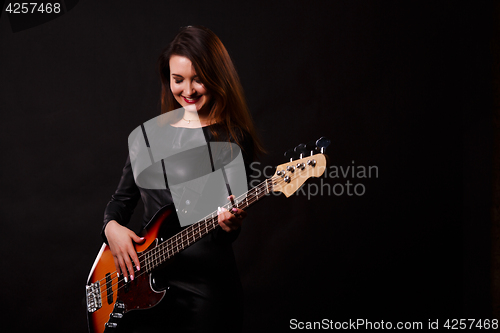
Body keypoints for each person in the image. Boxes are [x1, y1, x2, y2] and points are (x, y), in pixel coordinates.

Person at [102, 26, 264, 332]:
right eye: (178, 80)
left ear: (217, 78)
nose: (187, 90)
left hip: (206, 288)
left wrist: (230, 223)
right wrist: (111, 227)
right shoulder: (147, 137)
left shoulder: (232, 139)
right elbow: (121, 201)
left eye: (198, 78)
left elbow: (223, 228)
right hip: (145, 282)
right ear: (169, 79)